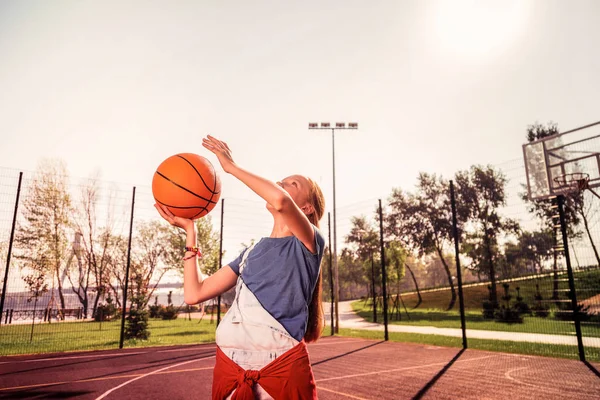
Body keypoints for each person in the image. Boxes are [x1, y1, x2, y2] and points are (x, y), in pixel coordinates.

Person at [155, 135, 326, 399]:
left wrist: (231, 167)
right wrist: (191, 231)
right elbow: (194, 294)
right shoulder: (249, 254)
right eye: (281, 182)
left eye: (292, 184)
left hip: (279, 366)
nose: (280, 185)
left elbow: (281, 201)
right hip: (231, 367)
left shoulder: (309, 243)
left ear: (306, 207)